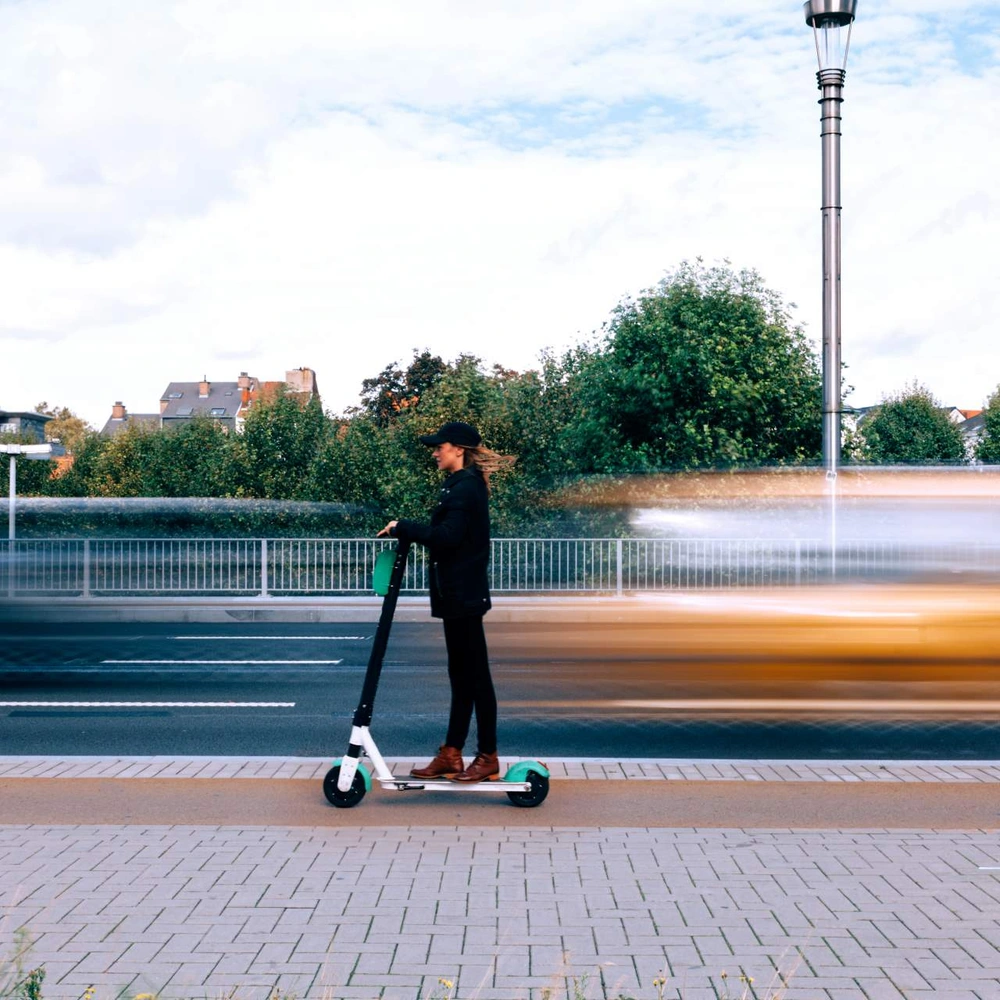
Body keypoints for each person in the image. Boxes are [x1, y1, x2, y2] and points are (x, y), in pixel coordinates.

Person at [378, 420, 512, 782]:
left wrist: (404, 527)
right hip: (456, 595)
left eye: (440, 447)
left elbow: (448, 537)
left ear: (458, 450)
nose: (435, 453)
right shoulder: (458, 485)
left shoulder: (466, 488)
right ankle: (452, 754)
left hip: (464, 595)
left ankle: (488, 756)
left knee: (476, 677)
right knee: (462, 675)